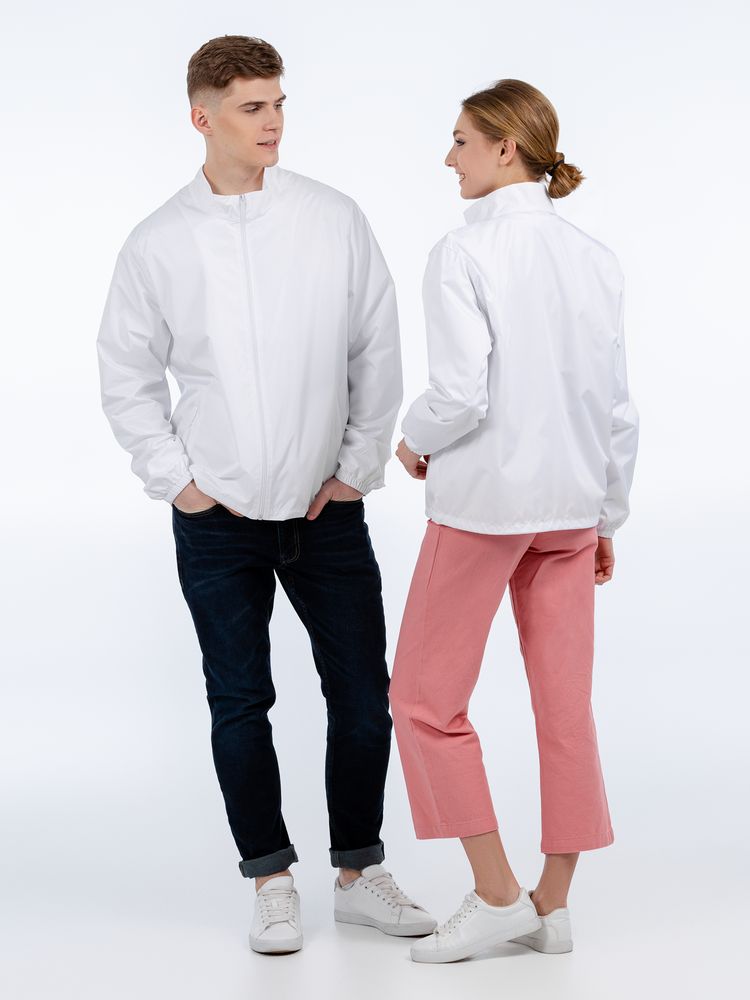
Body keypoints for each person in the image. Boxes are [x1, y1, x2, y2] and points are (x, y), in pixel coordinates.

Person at [95, 34, 436, 955]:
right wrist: (179, 483)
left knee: (363, 695)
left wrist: (356, 469)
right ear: (201, 117)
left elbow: (376, 346)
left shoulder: (332, 218)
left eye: (279, 102)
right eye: (252, 107)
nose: (274, 121)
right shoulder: (159, 241)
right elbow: (127, 374)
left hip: (327, 512)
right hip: (219, 520)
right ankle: (272, 881)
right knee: (240, 703)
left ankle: (358, 875)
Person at [389, 78, 639, 964]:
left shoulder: (463, 253)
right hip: (572, 507)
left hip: (483, 509)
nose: (447, 157)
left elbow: (461, 394)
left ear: (505, 148)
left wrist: (412, 438)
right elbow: (616, 407)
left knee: (422, 699)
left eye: (460, 140)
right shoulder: (594, 256)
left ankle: (497, 894)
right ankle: (552, 906)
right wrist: (607, 514)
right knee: (565, 708)